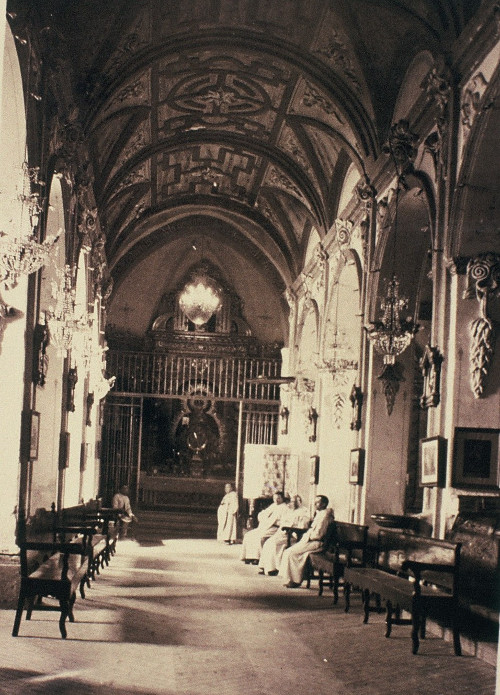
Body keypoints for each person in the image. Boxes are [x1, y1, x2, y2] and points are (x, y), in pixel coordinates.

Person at [279, 494, 334, 587]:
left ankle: (296, 581)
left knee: (292, 553)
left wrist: (308, 536)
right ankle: (292, 578)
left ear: (324, 504)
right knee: (288, 551)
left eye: (318, 502)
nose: (315, 504)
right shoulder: (320, 514)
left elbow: (319, 534)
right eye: (315, 502)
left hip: (318, 543)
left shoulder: (325, 516)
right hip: (310, 540)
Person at [258, 494, 310, 575]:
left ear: (299, 502)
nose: (290, 503)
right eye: (290, 501)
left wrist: (290, 528)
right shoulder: (291, 511)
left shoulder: (304, 511)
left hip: (294, 535)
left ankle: (275, 568)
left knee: (275, 544)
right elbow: (284, 521)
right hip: (285, 533)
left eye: (293, 501)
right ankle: (267, 567)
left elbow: (303, 526)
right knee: (269, 542)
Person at [240, 491, 286, 563]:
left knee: (259, 537)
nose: (276, 500)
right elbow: (263, 514)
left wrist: (271, 520)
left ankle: (258, 558)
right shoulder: (273, 505)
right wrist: (266, 518)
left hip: (275, 528)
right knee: (248, 535)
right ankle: (249, 556)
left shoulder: (284, 507)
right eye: (274, 498)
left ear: (282, 499)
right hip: (266, 526)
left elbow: (282, 521)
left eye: (278, 498)